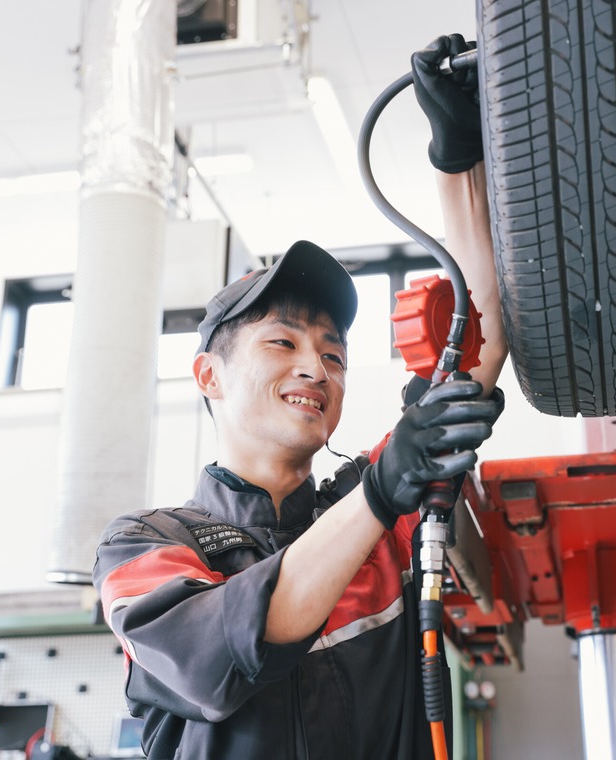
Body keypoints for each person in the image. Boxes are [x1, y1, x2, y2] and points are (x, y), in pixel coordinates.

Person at [93, 34, 507, 759]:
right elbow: (219, 662)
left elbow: (479, 338)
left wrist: (458, 153)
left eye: (334, 354)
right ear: (209, 377)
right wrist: (380, 493)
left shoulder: (374, 509)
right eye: (282, 344)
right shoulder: (146, 545)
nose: (316, 368)